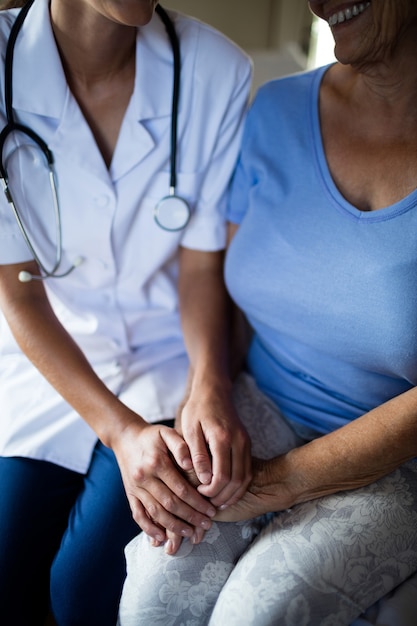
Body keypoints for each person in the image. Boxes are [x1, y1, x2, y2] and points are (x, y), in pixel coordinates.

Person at [117, 1, 417, 624]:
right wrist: (209, 390)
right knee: (155, 588)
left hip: (400, 460)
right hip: (263, 403)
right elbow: (213, 276)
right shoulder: (277, 110)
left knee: (258, 611)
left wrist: (279, 483)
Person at [0, 1, 253, 624]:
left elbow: (199, 268)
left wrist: (211, 383)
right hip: (44, 356)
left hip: (171, 357)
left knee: (84, 591)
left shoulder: (216, 69)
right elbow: (19, 289)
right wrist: (121, 432)